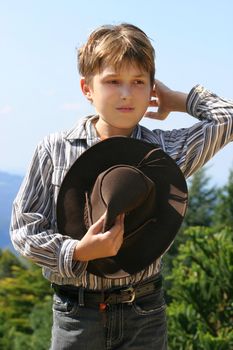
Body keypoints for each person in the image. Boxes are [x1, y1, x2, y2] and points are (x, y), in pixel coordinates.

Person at [10, 23, 233, 350]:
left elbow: (225, 119)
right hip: (76, 313)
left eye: (139, 82)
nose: (127, 93)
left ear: (151, 88)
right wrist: (78, 252)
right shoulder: (54, 149)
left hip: (145, 311)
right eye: (113, 81)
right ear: (87, 88)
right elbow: (23, 229)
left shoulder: (165, 154)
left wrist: (178, 100)